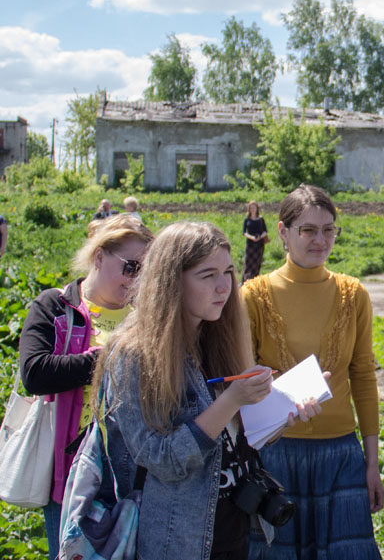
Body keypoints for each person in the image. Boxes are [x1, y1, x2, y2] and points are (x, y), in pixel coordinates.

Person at [91, 221, 321, 560]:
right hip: (176, 538)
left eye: (228, 272)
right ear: (171, 281)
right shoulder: (133, 354)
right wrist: (231, 400)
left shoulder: (215, 337)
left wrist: (279, 414)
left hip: (234, 528)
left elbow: (234, 436)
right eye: (207, 274)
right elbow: (161, 459)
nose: (223, 287)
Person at [241, 184, 384, 560]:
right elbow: (241, 382)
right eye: (308, 230)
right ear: (283, 233)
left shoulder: (354, 295)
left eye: (328, 229)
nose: (320, 240)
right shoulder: (253, 297)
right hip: (275, 455)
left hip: (340, 455)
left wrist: (372, 463)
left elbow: (364, 377)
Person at [18, 214, 153, 559]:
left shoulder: (150, 315)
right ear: (99, 257)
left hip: (137, 469)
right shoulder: (55, 307)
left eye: (146, 272)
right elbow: (35, 373)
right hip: (71, 471)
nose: (136, 281)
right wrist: (109, 359)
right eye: (131, 268)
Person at [242, 201, 270, 283]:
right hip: (250, 244)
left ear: (257, 208)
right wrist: (252, 238)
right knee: (248, 264)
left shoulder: (261, 219)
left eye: (254, 207)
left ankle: (255, 281)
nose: (252, 209)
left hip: (259, 244)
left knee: (257, 263)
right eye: (251, 208)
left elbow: (265, 231)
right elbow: (244, 232)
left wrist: (260, 237)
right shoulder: (247, 219)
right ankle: (245, 280)